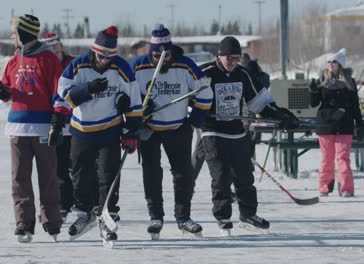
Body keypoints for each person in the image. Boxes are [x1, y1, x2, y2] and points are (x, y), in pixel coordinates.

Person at [198, 36, 299, 235]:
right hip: (213, 131)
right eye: (230, 59)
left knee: (244, 176)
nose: (234, 63)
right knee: (221, 177)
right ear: (221, 55)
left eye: (237, 59)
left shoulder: (242, 74)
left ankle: (248, 215)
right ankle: (223, 217)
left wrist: (279, 114)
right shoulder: (205, 73)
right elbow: (190, 99)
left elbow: (259, 101)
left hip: (236, 132)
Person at [53, 25, 142, 242]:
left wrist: (130, 131)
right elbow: (63, 96)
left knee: (108, 175)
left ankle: (106, 215)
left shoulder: (121, 67)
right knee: (80, 174)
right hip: (82, 130)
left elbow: (134, 100)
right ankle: (85, 214)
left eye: (110, 55)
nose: (106, 60)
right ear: (94, 50)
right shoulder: (77, 65)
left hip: (109, 130)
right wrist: (87, 90)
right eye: (102, 55)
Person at [130, 24, 213, 238]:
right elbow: (124, 95)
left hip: (177, 127)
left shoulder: (185, 65)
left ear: (171, 50)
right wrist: (138, 109)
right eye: (156, 55)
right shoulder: (137, 66)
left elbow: (205, 91)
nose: (160, 60)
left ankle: (183, 216)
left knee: (183, 173)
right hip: (149, 129)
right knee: (151, 171)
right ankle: (155, 215)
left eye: (165, 55)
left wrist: (196, 116)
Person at [0, 15, 66, 242]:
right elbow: (8, 90)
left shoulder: (48, 60)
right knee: (19, 178)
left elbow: (58, 93)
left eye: (14, 32)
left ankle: (51, 221)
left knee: (48, 178)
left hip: (42, 129)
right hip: (17, 128)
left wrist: (58, 120)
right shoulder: (14, 60)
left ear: (23, 33)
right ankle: (24, 223)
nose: (12, 36)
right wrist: (0, 91)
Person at [310, 48, 363, 197]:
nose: (331, 64)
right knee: (327, 159)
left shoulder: (349, 82)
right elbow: (314, 103)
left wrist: (359, 123)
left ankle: (346, 188)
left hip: (344, 124)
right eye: (329, 62)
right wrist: (313, 91)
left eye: (334, 62)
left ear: (340, 64)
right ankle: (324, 187)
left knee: (343, 158)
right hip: (326, 124)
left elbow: (354, 105)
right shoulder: (322, 80)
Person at [40, 33, 76, 221]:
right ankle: (64, 203)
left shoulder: (74, 64)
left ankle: (88, 202)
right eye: (50, 51)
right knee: (60, 168)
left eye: (57, 50)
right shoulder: (45, 67)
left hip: (77, 124)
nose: (54, 54)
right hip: (57, 126)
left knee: (79, 167)